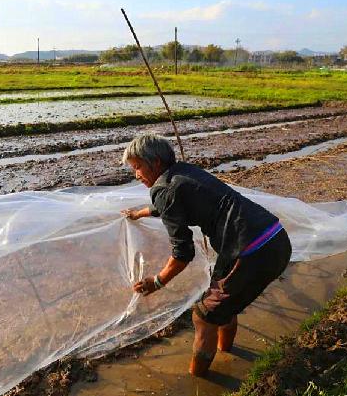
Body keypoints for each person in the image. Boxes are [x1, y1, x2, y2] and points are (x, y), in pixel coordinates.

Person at [120, 134, 292, 377]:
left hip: (249, 250)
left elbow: (183, 252)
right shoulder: (184, 173)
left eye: (137, 167)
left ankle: (199, 380)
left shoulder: (163, 189)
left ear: (156, 163)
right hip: (275, 238)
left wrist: (157, 281)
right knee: (222, 306)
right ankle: (225, 352)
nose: (136, 174)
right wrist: (139, 214)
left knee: (203, 316)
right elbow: (169, 204)